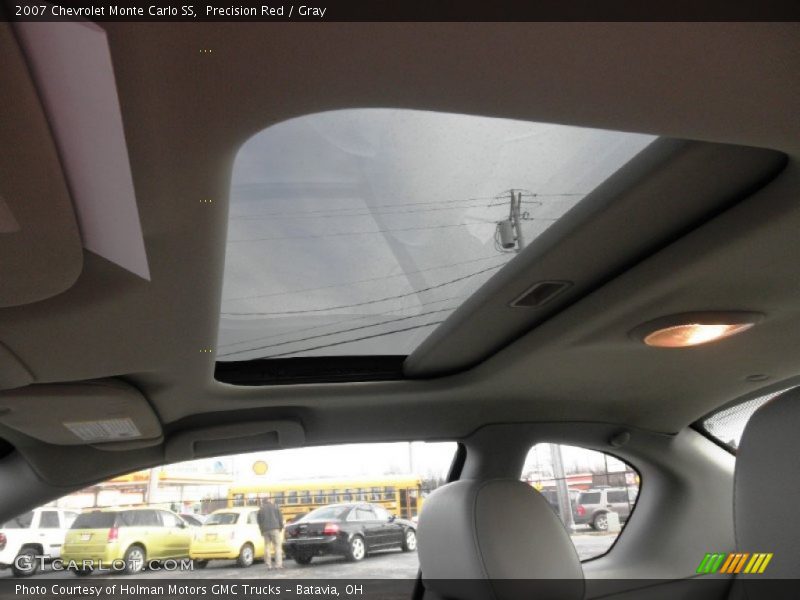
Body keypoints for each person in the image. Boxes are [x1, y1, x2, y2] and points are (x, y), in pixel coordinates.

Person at [257, 494, 284, 569]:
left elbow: (259, 521)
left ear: (263, 501)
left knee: (267, 546)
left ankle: (268, 564)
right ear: (269, 500)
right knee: (277, 546)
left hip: (265, 530)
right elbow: (280, 518)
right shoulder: (275, 507)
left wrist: (261, 530)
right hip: (275, 529)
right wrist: (281, 527)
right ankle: (278, 564)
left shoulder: (261, 509)